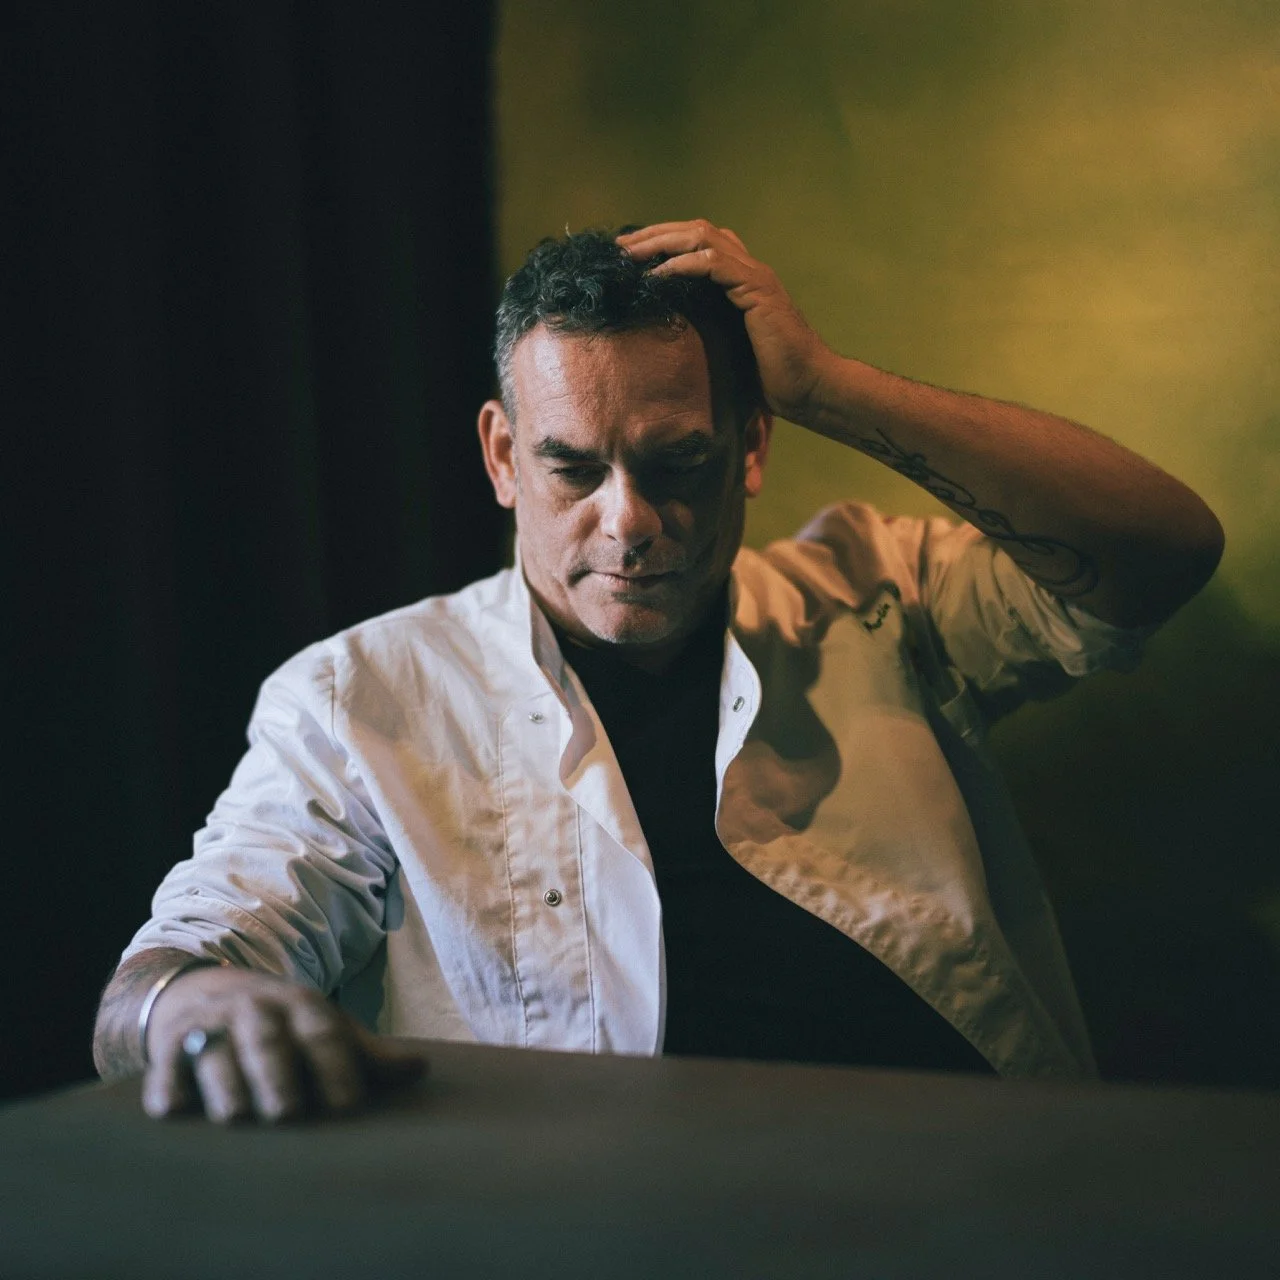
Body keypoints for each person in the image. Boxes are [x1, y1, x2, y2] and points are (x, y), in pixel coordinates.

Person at [93, 219, 1224, 1123]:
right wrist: (197, 1001)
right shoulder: (361, 695)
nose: (626, 520)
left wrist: (824, 383)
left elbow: (1160, 555)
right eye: (571, 467)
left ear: (750, 448)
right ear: (500, 454)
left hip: (975, 1199)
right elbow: (172, 969)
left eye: (676, 461)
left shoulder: (878, 594)